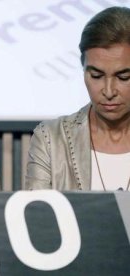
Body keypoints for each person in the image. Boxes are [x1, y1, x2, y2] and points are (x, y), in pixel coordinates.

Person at [26, 6, 130, 191]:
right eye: (96, 76)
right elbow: (36, 216)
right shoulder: (52, 138)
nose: (108, 91)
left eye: (123, 77)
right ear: (83, 69)